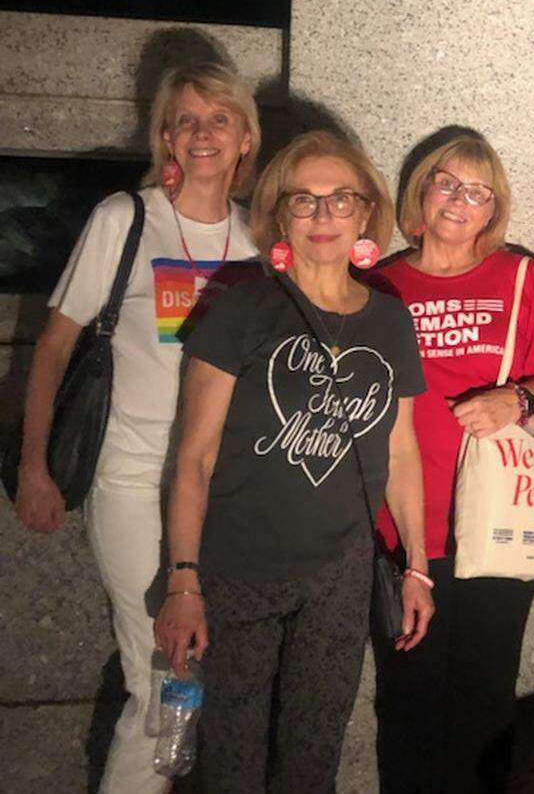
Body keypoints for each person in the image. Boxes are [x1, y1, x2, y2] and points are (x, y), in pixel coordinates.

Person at [153, 130, 432, 793]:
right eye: (304, 201)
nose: (324, 216)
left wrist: (419, 565)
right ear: (279, 214)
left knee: (312, 762)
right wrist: (183, 581)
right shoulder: (244, 305)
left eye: (340, 200)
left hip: (338, 573)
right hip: (240, 566)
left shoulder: (390, 320)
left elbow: (401, 449)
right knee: (232, 765)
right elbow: (193, 457)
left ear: (366, 212)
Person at [15, 61, 260, 793]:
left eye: (219, 118)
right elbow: (54, 346)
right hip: (130, 473)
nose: (203, 133)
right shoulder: (125, 219)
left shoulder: (259, 239)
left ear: (246, 136)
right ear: (165, 137)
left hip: (222, 485)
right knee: (158, 672)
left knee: (207, 671)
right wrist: (35, 466)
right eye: (186, 119)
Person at [369, 131, 534, 793]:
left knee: (484, 703)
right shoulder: (379, 283)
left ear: (493, 209)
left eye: (478, 191)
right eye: (448, 182)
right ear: (421, 190)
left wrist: (514, 401)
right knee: (406, 704)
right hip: (401, 528)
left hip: (494, 524)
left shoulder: (519, 274)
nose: (460, 200)